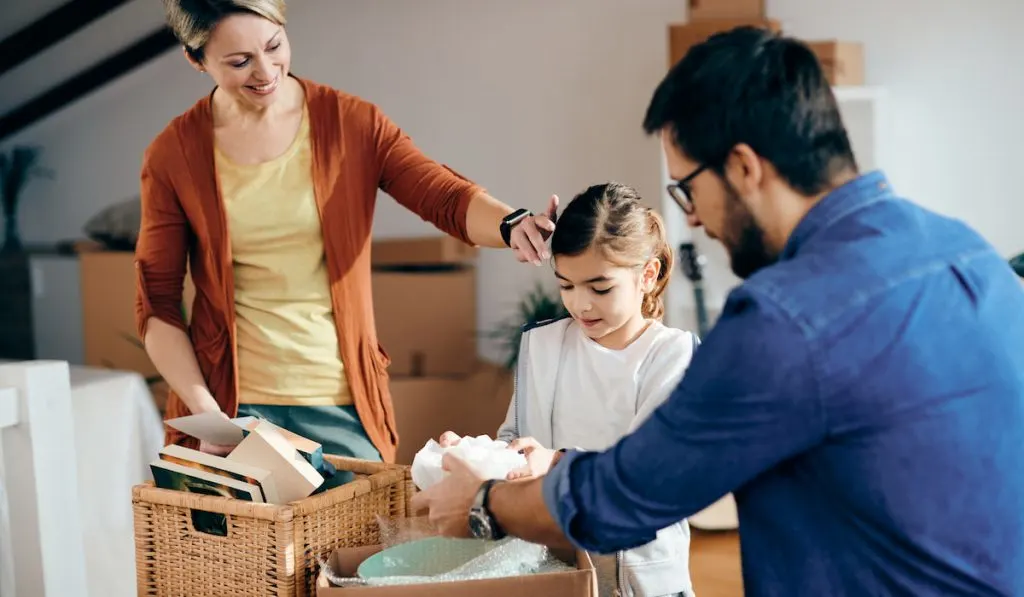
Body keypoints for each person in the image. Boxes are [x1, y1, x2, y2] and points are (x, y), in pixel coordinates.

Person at [411, 26, 1024, 596]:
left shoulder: (786, 319)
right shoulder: (970, 255)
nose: (694, 218)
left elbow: (630, 494)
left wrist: (483, 500)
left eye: (687, 190)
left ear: (743, 167)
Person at [135, 0, 557, 483]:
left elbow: (440, 194)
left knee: (356, 555)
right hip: (232, 410)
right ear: (197, 59)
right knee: (242, 562)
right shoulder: (173, 154)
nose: (266, 71)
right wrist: (209, 417)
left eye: (275, 46)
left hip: (343, 404)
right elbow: (157, 302)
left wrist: (511, 223)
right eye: (239, 62)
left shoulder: (351, 124)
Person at [439, 182, 699, 597]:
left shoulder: (672, 355)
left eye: (600, 288)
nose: (581, 305)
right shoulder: (543, 344)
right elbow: (516, 440)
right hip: (553, 567)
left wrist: (557, 462)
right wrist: (476, 454)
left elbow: (651, 475)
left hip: (639, 579)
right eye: (566, 286)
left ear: (646, 275)